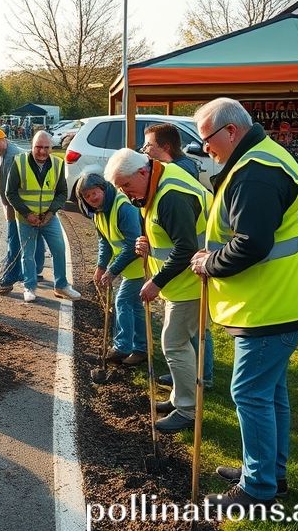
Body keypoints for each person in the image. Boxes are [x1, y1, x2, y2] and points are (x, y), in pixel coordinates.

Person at [189, 98, 298, 509]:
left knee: (250, 392)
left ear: (231, 131)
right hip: (286, 298)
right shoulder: (260, 157)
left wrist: (209, 262)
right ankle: (269, 471)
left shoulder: (256, 173)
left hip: (273, 305)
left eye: (207, 139)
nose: (205, 148)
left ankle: (258, 488)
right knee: (270, 392)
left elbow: (251, 243)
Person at [104, 147, 212, 433]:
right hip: (183, 281)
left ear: (142, 172)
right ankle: (180, 398)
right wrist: (146, 242)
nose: (125, 193)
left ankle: (188, 411)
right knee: (180, 342)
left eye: (126, 185)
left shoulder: (171, 196)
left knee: (174, 343)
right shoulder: (156, 181)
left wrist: (156, 282)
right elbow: (167, 233)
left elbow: (186, 246)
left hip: (192, 280)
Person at [141, 123, 215, 388]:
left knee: (191, 334)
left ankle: (200, 377)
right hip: (184, 275)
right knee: (191, 331)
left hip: (190, 273)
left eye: (148, 145)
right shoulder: (170, 172)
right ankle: (189, 375)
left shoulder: (176, 176)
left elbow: (183, 239)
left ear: (166, 147)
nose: (145, 151)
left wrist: (158, 279)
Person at [76, 168, 146, 365]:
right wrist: (100, 266)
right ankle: (141, 349)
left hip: (139, 263)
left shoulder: (123, 207)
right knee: (135, 306)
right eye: (87, 196)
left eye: (94, 193)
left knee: (122, 301)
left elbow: (132, 244)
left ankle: (122, 347)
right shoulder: (98, 213)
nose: (92, 198)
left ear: (104, 189)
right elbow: (105, 242)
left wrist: (112, 270)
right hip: (127, 267)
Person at [5, 130, 81, 303]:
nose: (42, 151)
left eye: (46, 147)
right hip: (26, 218)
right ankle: (29, 286)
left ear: (52, 148)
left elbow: (62, 193)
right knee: (28, 254)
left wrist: (51, 211)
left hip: (49, 217)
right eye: (38, 147)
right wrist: (26, 213)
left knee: (59, 249)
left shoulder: (58, 164)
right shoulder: (19, 162)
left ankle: (61, 285)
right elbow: (10, 193)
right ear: (31, 146)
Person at [0, 126, 46, 295]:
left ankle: (8, 279)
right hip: (21, 206)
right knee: (33, 239)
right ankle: (34, 271)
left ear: (4, 140)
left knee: (14, 241)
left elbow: (14, 190)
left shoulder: (13, 158)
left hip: (20, 207)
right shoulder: (1, 155)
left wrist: (16, 211)